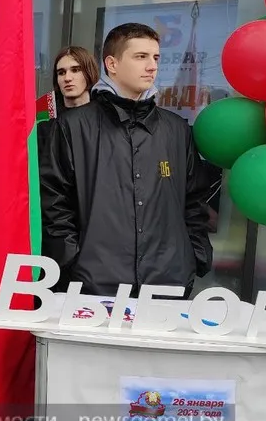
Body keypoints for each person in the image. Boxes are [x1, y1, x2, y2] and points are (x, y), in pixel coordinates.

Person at [40, 23, 213, 299]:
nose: (152, 66)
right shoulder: (70, 127)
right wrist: (71, 264)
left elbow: (194, 202)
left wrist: (193, 257)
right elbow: (53, 206)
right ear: (112, 64)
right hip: (93, 288)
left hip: (167, 285)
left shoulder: (176, 130)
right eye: (140, 56)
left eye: (155, 57)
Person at [37, 46, 100, 165]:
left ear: (89, 73)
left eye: (75, 70)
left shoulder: (105, 119)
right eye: (61, 73)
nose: (67, 78)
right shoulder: (45, 125)